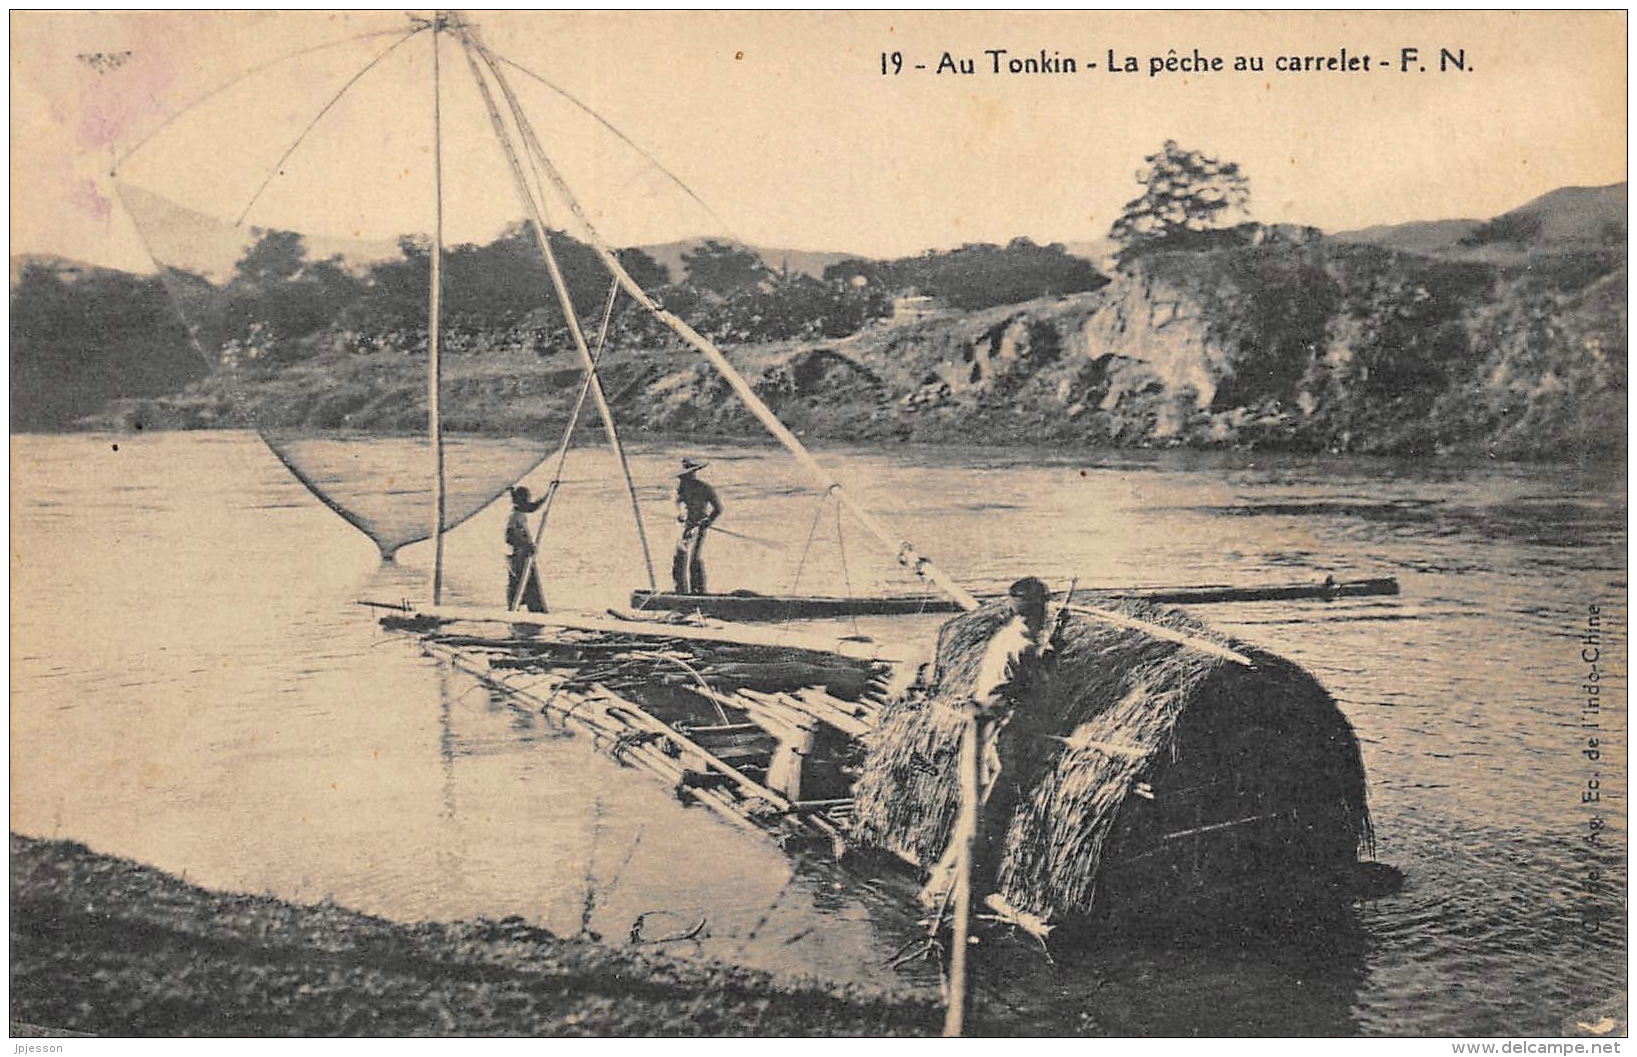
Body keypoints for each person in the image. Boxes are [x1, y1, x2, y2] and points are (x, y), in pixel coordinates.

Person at [922, 576, 1056, 915]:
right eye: (1042, 609)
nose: (1045, 616)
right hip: (996, 728)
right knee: (983, 811)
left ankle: (945, 887)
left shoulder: (1008, 637)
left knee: (975, 810)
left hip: (982, 724)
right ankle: (949, 891)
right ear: (1035, 611)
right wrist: (1047, 664)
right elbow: (1038, 691)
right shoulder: (1021, 646)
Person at [672, 457, 722, 595]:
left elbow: (718, 509)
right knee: (678, 560)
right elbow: (678, 507)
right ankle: (680, 593)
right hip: (682, 528)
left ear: (693, 474)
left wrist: (708, 521)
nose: (683, 479)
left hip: (698, 527)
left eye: (687, 475)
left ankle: (698, 593)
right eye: (682, 476)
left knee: (693, 560)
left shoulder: (705, 488)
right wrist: (679, 516)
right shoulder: (678, 490)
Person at [505, 486, 548, 613]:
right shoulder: (514, 516)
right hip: (517, 554)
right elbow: (510, 535)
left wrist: (548, 494)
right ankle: (521, 609)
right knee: (523, 581)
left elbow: (533, 507)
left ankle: (528, 609)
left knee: (525, 581)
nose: (527, 503)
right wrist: (527, 545)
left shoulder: (519, 512)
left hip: (521, 554)